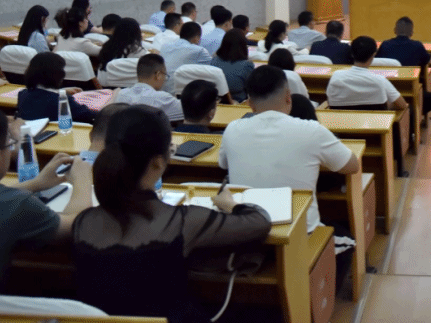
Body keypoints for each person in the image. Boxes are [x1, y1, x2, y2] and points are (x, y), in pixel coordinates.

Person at [73, 105, 271, 322]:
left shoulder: (83, 223)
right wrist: (231, 204)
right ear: (158, 163)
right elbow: (259, 222)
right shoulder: (180, 222)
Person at [220, 65, 359, 233]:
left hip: (246, 229)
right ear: (288, 97)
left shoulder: (232, 129)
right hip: (300, 232)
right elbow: (352, 166)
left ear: (250, 104)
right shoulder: (312, 130)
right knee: (346, 235)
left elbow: (223, 164)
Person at [0, 113, 94, 284]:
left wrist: (36, 183)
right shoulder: (19, 205)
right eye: (9, 144)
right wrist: (83, 180)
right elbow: (77, 223)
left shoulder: (10, 200)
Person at [376, 17, 431, 116]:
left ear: (395, 30)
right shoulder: (417, 46)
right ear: (412, 33)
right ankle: (415, 116)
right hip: (410, 87)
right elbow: (430, 61)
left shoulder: (385, 45)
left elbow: (376, 62)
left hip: (387, 90)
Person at [327, 37, 408, 112]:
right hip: (375, 123)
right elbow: (402, 105)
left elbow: (330, 101)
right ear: (373, 55)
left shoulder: (336, 76)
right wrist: (387, 106)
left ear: (351, 54)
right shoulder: (380, 80)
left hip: (340, 122)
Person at [17, 52, 97, 124]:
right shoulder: (62, 101)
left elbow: (42, 95)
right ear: (58, 75)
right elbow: (90, 115)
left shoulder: (22, 94)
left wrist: (60, 91)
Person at [114, 55, 183, 124]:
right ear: (158, 75)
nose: (165, 79)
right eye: (165, 75)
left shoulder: (121, 94)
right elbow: (187, 109)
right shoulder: (162, 98)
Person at [210, 29, 255, 102]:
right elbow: (251, 88)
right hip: (239, 102)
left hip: (216, 101)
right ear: (243, 45)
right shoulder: (246, 65)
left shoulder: (214, 60)